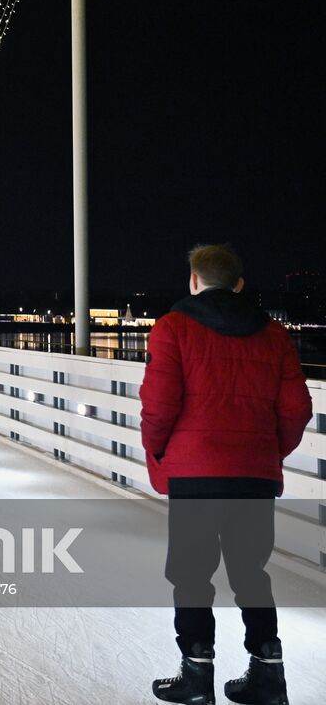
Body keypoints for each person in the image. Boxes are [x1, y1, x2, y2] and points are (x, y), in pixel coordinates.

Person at [143, 245, 311, 705]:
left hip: (195, 472)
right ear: (239, 285)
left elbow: (158, 406)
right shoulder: (274, 335)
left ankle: (197, 676)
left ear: (194, 281)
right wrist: (268, 452)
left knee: (192, 575)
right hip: (253, 475)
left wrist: (160, 453)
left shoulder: (172, 328)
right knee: (251, 574)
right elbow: (297, 409)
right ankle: (268, 674)